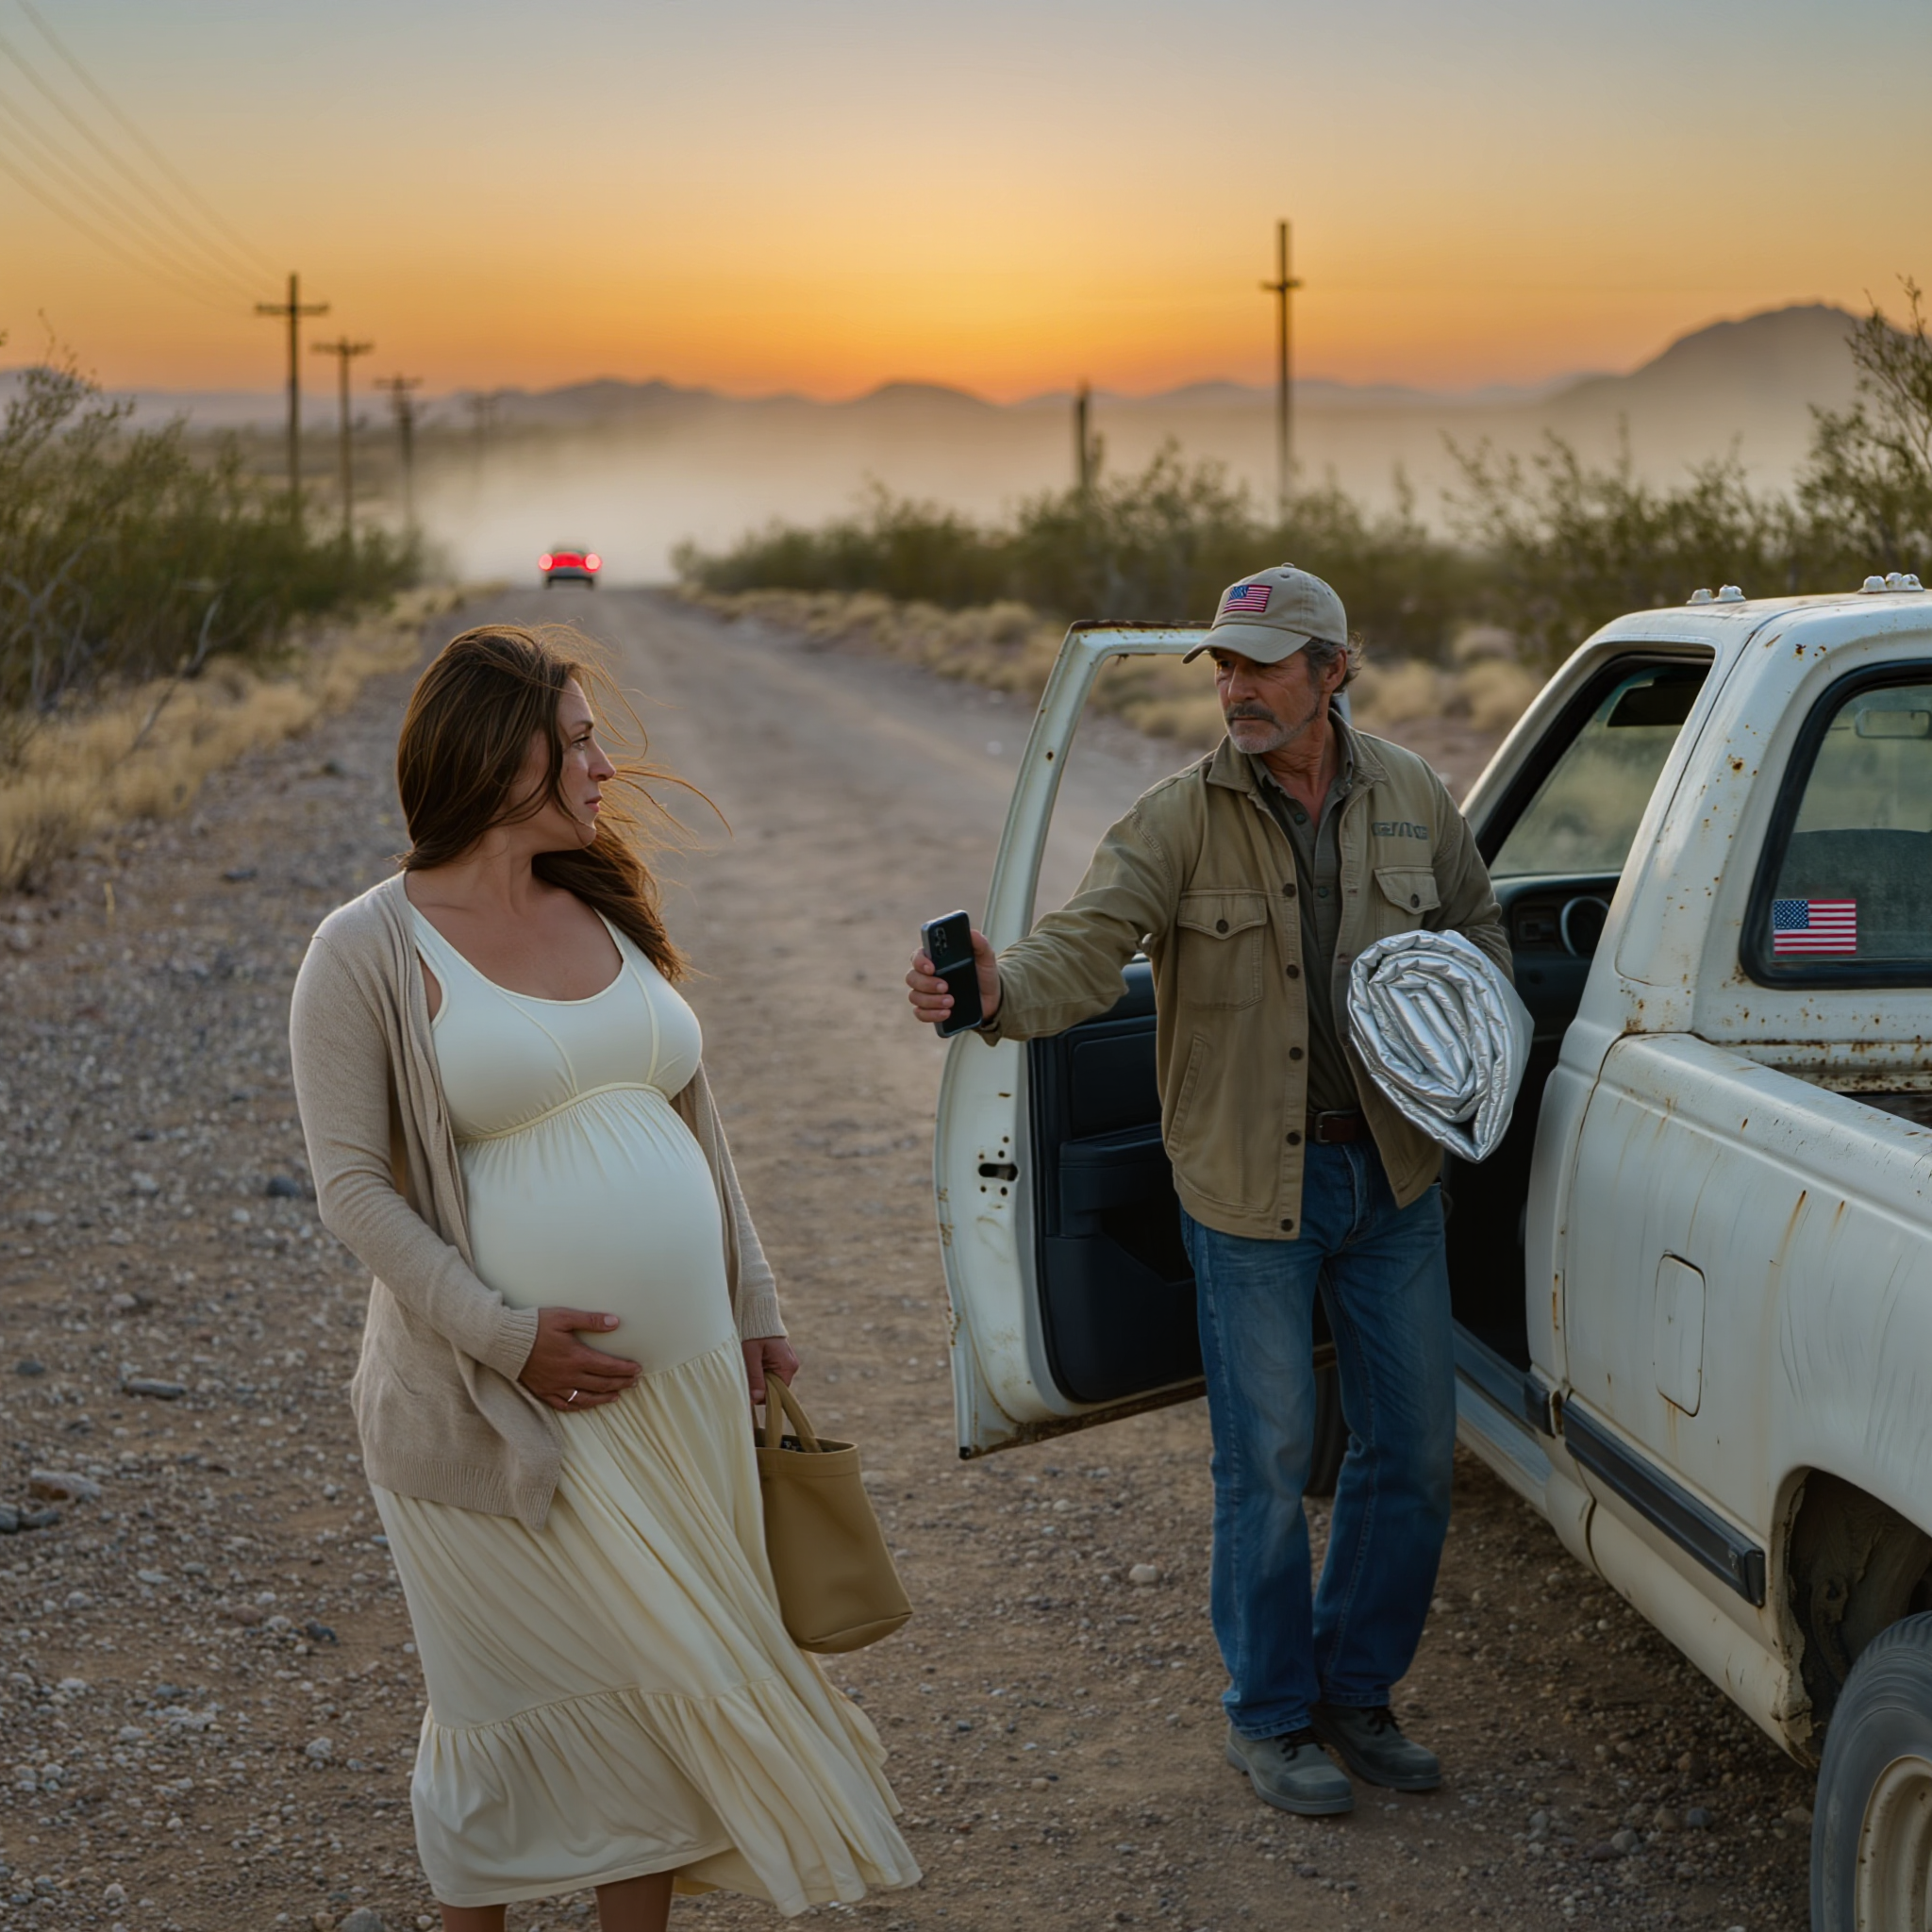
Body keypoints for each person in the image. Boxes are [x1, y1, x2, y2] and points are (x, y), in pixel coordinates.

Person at [291, 625, 917, 1930]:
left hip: (676, 1392)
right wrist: (506, 1338)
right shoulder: (366, 949)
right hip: (496, 1410)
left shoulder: (606, 902)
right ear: (490, 754)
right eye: (575, 742)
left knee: (654, 1714)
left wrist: (755, 1309)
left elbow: (699, 1120)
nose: (604, 763)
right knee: (501, 1721)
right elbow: (354, 1189)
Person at [906, 566, 1509, 1817]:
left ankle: (1357, 1692)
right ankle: (1273, 1716)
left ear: (1334, 668)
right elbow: (1084, 946)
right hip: (1249, 1194)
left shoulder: (1411, 796)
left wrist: (1468, 1049)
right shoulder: (1177, 818)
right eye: (1223, 666)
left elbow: (1479, 935)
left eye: (1262, 664)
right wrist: (996, 986)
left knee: (1410, 1455)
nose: (1234, 688)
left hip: (1392, 1177)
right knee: (1269, 1464)